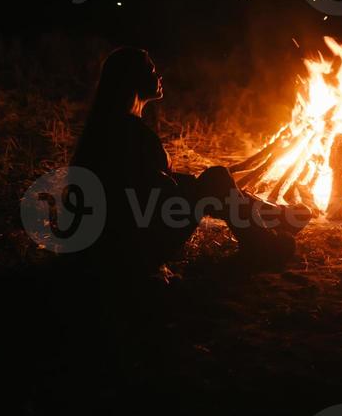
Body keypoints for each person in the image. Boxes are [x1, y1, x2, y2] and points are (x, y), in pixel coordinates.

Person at [71, 47, 311, 278]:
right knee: (216, 180)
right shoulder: (129, 132)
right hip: (133, 248)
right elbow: (153, 195)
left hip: (119, 242)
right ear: (133, 79)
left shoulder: (109, 125)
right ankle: (264, 246)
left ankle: (275, 217)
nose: (159, 75)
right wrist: (199, 190)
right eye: (152, 71)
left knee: (211, 184)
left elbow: (151, 185)